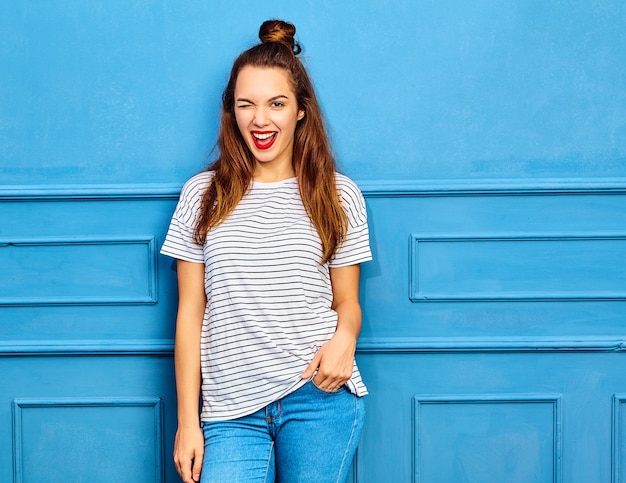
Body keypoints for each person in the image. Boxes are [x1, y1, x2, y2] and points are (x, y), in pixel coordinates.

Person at [161, 19, 372, 483]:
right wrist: (187, 422)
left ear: (300, 110)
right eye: (246, 105)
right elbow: (190, 313)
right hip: (230, 407)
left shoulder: (339, 194)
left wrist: (344, 341)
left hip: (318, 395)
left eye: (277, 104)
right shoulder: (202, 195)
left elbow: (348, 303)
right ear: (231, 112)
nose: (261, 119)